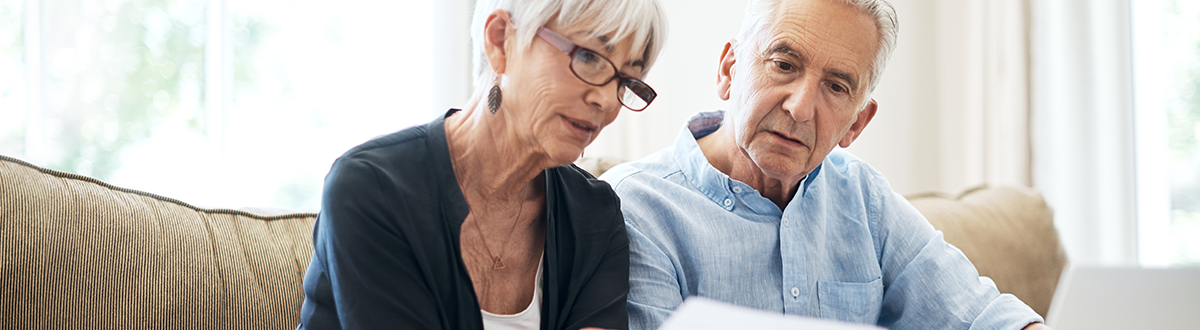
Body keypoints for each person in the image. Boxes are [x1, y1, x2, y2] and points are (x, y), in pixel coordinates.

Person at [598, 0, 1049, 329]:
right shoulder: (635, 208)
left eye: (836, 87)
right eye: (784, 64)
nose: (800, 107)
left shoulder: (863, 199)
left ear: (857, 123)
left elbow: (980, 314)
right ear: (729, 70)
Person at [297, 0, 666, 329]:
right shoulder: (372, 188)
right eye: (589, 57)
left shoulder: (595, 211)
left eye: (626, 80)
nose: (606, 101)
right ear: (500, 40)